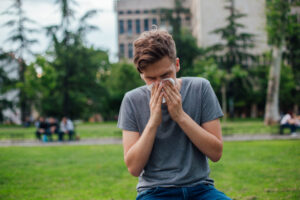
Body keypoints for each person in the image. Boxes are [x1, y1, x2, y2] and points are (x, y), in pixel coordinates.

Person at [118, 29, 231, 199]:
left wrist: (180, 116)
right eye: (151, 79)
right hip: (154, 191)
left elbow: (216, 153)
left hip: (200, 189)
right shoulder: (132, 100)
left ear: (177, 64)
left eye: (165, 75)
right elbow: (133, 168)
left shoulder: (200, 88)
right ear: (142, 75)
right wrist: (153, 122)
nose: (160, 84)